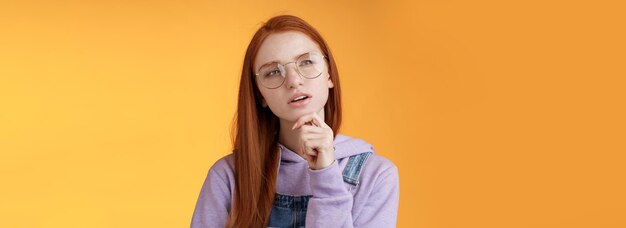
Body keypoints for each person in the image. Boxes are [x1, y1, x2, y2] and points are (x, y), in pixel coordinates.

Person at [191, 15, 399, 228]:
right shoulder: (228, 176)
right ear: (260, 94)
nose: (293, 81)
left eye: (306, 62)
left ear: (329, 75)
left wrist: (326, 174)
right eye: (273, 72)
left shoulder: (375, 175)